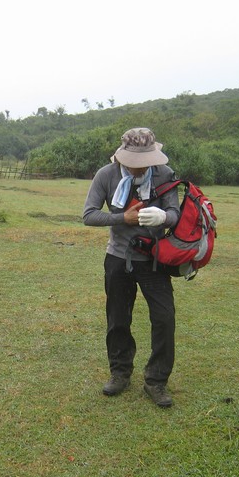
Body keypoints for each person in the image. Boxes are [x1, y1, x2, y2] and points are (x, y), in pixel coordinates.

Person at [82, 127, 181, 408]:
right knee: (118, 318)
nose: (140, 169)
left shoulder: (164, 174)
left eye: (145, 162)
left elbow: (175, 214)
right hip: (117, 257)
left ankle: (156, 380)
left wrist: (164, 216)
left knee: (164, 318)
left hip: (154, 259)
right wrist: (122, 218)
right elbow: (88, 215)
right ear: (122, 157)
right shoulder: (106, 175)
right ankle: (120, 372)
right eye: (134, 163)